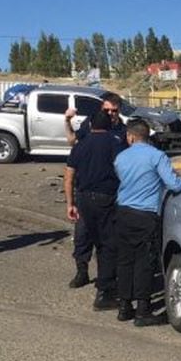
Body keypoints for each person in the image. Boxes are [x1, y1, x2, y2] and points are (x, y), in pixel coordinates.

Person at [114, 119, 181, 326]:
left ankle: (124, 306)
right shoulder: (157, 156)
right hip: (145, 215)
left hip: (122, 212)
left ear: (130, 136)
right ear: (147, 136)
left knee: (125, 261)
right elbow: (172, 184)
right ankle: (143, 310)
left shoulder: (121, 157)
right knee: (144, 263)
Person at [64, 110, 126, 311]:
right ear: (109, 125)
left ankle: (85, 273)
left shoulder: (80, 145)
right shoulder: (115, 142)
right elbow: (124, 170)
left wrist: (70, 203)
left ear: (91, 126)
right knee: (108, 244)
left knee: (87, 237)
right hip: (106, 198)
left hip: (84, 198)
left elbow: (69, 176)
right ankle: (105, 293)